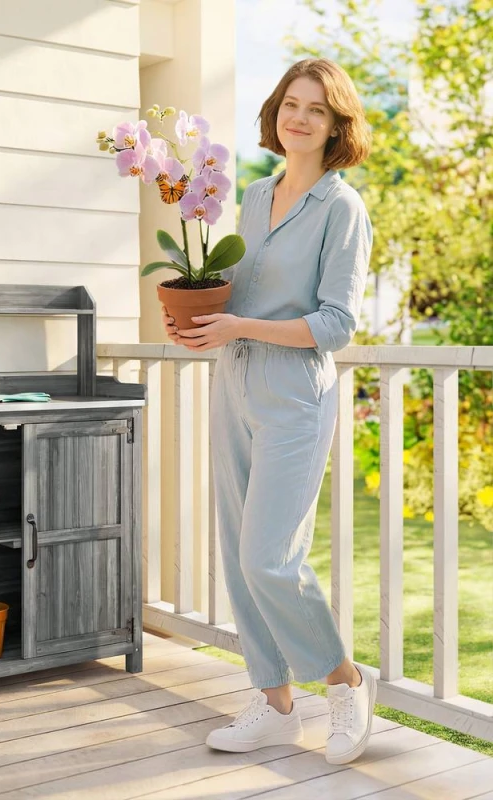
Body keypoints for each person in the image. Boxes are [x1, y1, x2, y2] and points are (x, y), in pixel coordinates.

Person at [162, 58, 376, 765]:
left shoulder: (341, 208)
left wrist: (240, 329)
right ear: (276, 113)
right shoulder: (254, 197)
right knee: (237, 551)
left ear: (336, 124)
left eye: (317, 109)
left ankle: (343, 683)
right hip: (236, 386)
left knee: (270, 558)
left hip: (294, 394)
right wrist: (199, 323)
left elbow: (338, 324)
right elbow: (236, 301)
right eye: (292, 103)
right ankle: (275, 702)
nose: (300, 118)